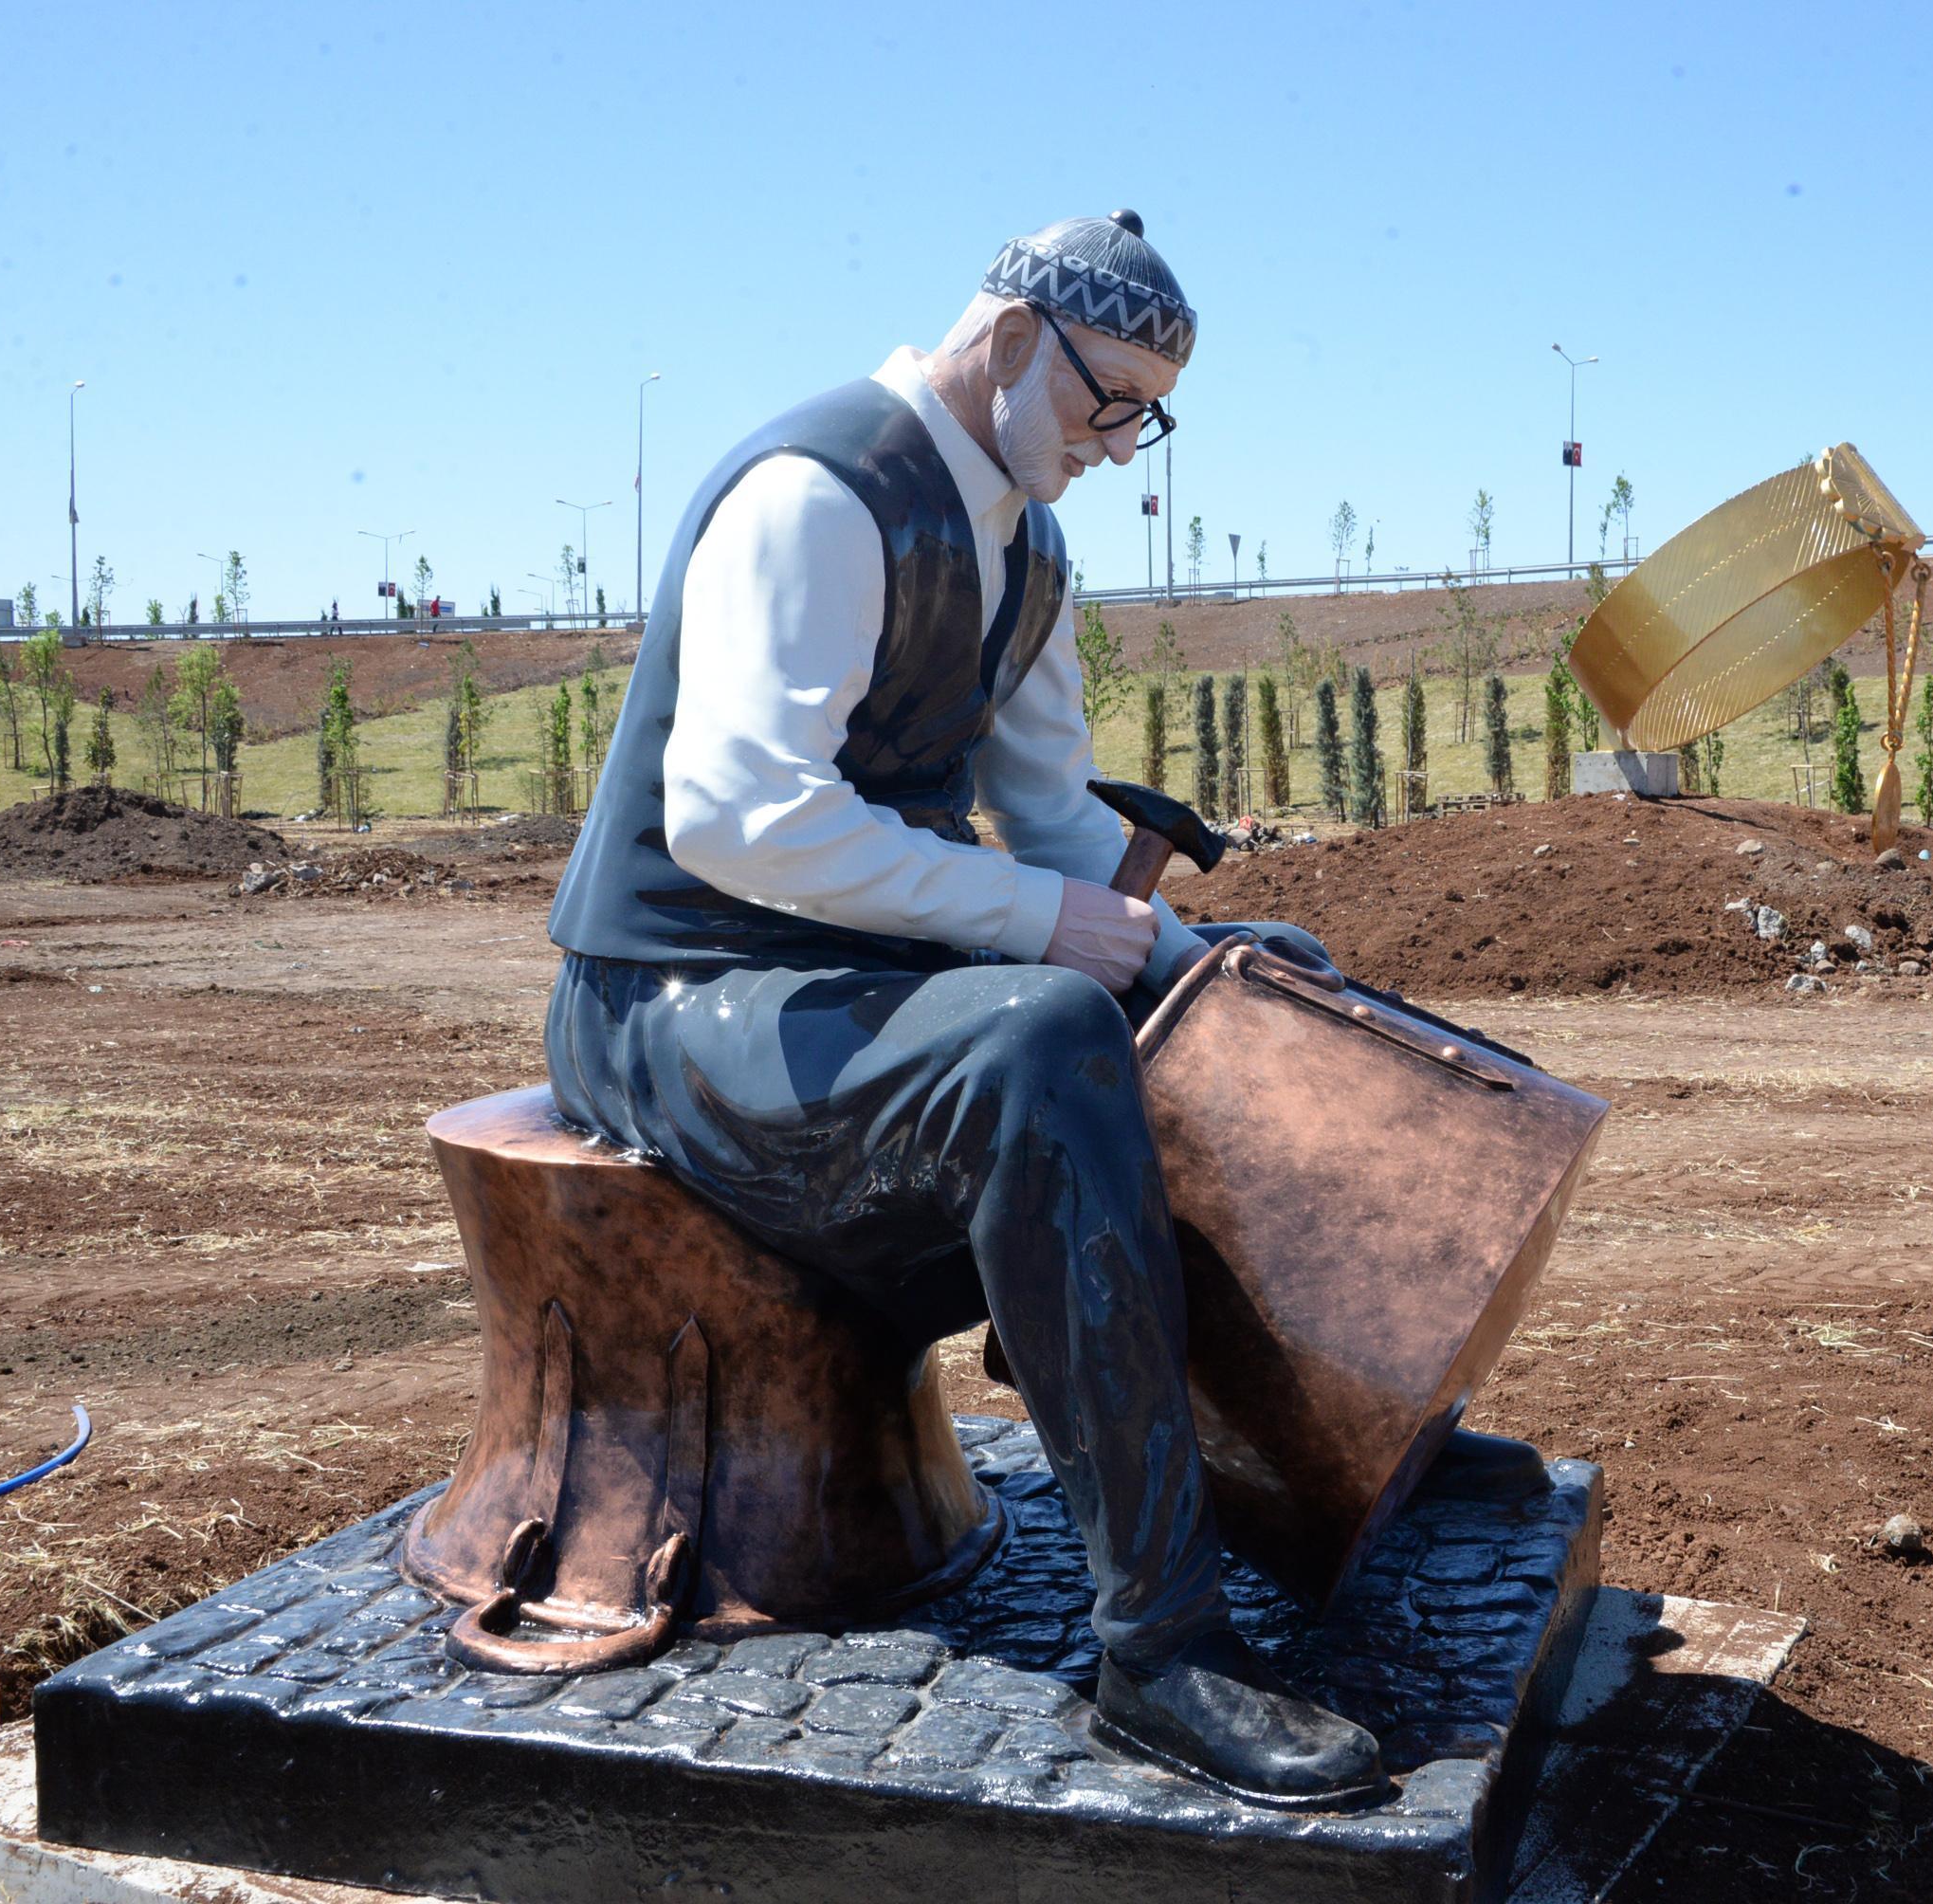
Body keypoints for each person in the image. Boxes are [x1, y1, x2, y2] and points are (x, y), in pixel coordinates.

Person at [544, 212, 1380, 1807]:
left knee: (1245, 992)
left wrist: (1201, 962)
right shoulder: (819, 494)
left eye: (1146, 414)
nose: (1120, 444)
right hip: (675, 997)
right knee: (1045, 1037)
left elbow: (1058, 823)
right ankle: (1162, 1649)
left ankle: (1331, 1463)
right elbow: (740, 818)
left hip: (838, 986)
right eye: (1104, 399)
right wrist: (1051, 929)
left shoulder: (1031, 550)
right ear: (1008, 342)